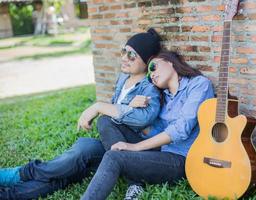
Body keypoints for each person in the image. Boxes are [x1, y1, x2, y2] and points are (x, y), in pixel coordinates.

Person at [0, 28, 162, 200]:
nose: (124, 57)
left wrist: (100, 107)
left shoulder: (149, 88)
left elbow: (144, 118)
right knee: (69, 168)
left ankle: (18, 174)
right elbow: (118, 111)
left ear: (147, 61)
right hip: (111, 145)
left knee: (85, 147)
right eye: (124, 51)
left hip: (134, 151)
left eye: (132, 55)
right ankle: (9, 194)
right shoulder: (123, 78)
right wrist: (126, 106)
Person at [80, 50, 215, 200]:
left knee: (114, 157)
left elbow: (181, 129)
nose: (152, 75)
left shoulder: (198, 84)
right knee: (106, 120)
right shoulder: (162, 97)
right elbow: (153, 131)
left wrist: (134, 147)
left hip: (181, 159)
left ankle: (133, 180)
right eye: (149, 76)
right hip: (160, 151)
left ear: (170, 61)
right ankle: (136, 181)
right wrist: (131, 107)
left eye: (153, 67)